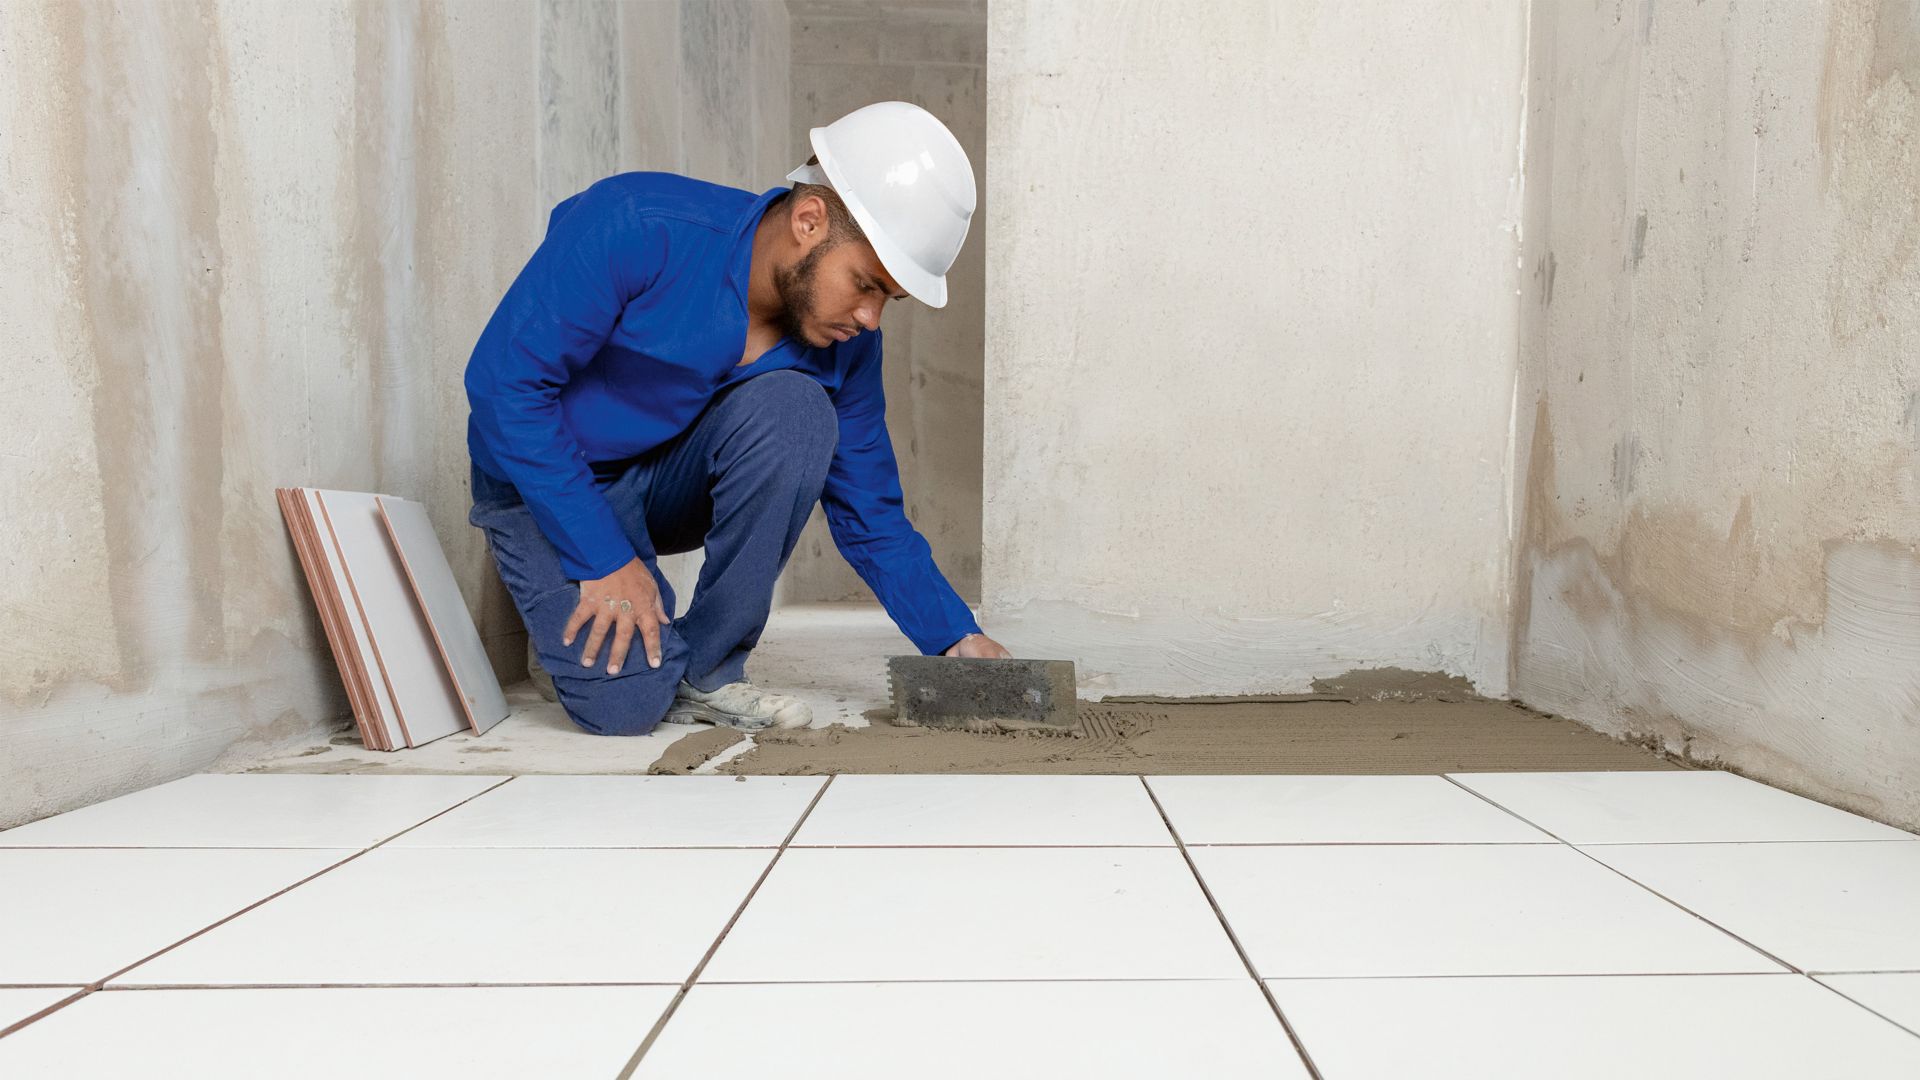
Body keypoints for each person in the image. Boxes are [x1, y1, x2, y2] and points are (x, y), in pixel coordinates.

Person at [463, 101, 1010, 737]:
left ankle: (710, 669)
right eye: (865, 283)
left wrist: (955, 637)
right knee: (627, 706)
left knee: (799, 409)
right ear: (810, 219)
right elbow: (504, 387)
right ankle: (559, 591)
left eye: (888, 299)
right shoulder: (638, 224)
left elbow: (869, 507)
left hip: (665, 482)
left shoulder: (848, 343)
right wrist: (603, 558)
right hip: (549, 480)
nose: (870, 317)